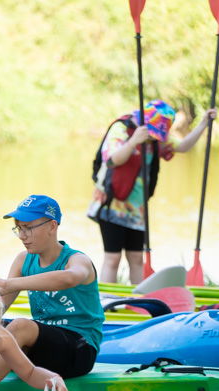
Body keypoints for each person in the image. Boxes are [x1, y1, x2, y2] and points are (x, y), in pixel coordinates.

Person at [0, 195, 104, 391]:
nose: (22, 236)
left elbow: (69, 278)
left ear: (52, 226)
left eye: (28, 227)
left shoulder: (77, 260)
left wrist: (9, 284)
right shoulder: (23, 260)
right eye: (19, 228)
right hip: (44, 347)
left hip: (80, 349)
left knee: (20, 327)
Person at [89, 100, 216, 283]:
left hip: (138, 208)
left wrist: (204, 123)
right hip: (112, 202)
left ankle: (138, 297)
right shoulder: (121, 129)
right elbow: (112, 160)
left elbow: (182, 146)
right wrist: (134, 141)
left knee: (136, 258)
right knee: (113, 258)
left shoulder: (155, 137)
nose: (153, 138)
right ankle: (108, 297)